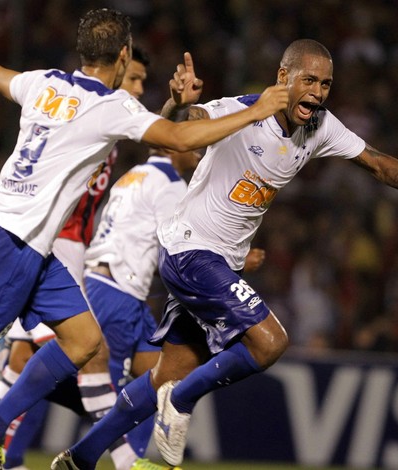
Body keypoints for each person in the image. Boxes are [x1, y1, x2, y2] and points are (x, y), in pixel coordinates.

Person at [50, 38, 398, 470]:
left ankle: (81, 457)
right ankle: (180, 402)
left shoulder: (320, 126)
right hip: (190, 250)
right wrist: (177, 104)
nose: (317, 92)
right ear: (283, 78)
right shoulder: (239, 111)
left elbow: (376, 161)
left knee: (167, 372)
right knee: (270, 342)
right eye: (309, 80)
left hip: (218, 262)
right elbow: (178, 129)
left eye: (326, 84)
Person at [0, 8, 288, 470]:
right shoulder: (110, 105)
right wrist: (257, 110)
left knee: (84, 340)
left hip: (33, 249)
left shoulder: (46, 83)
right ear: (122, 56)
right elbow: (177, 139)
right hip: (11, 243)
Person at [0, 46, 159, 470]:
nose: (138, 88)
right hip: (55, 239)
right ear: (117, 67)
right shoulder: (96, 109)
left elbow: (154, 131)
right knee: (89, 351)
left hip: (55, 240)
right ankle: (122, 461)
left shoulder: (107, 111)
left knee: (27, 356)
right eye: (133, 78)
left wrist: (173, 104)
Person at [82, 143, 266, 462]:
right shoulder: (170, 184)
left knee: (159, 377)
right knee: (98, 386)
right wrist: (229, 260)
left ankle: (126, 461)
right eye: (192, 143)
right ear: (170, 145)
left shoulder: (133, 175)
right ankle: (111, 460)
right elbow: (177, 243)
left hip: (113, 283)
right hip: (119, 290)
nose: (199, 150)